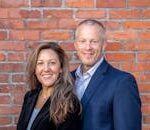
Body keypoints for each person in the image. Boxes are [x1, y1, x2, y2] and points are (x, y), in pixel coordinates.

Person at [72, 19, 142, 130]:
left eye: (94, 41)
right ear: (75, 45)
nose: (88, 47)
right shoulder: (67, 80)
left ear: (104, 45)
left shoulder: (122, 82)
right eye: (82, 41)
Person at [17, 42, 82, 130]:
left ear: (61, 68)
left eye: (52, 63)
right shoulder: (29, 96)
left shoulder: (69, 103)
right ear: (35, 69)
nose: (46, 69)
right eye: (40, 63)